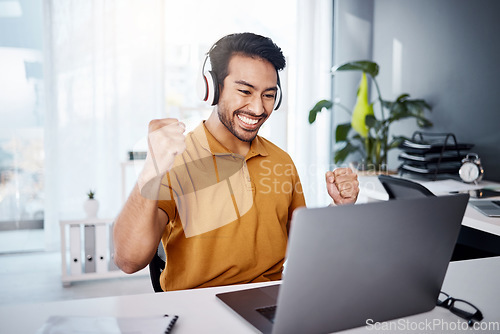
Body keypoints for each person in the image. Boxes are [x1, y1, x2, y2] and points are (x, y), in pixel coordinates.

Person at [113, 32, 359, 291]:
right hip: (199, 308)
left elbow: (304, 246)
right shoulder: (176, 159)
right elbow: (128, 260)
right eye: (245, 91)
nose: (258, 108)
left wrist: (339, 207)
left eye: (268, 95)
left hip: (272, 301)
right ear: (212, 87)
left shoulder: (281, 161)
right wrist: (151, 169)